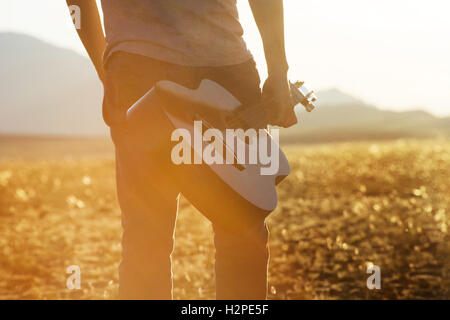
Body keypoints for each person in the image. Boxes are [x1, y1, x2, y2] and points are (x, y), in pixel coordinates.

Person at [66, 0, 296, 299]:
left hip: (151, 65)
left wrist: (107, 66)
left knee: (147, 236)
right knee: (241, 234)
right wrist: (278, 70)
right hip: (213, 64)